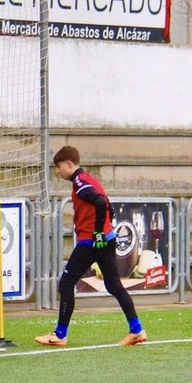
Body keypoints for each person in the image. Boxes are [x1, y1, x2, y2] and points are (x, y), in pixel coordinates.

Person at [35, 145, 146, 347]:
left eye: (59, 167)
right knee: (114, 284)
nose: (58, 172)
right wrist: (106, 228)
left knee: (66, 283)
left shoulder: (79, 181)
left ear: (69, 164)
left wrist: (96, 232)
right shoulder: (89, 179)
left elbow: (99, 202)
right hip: (107, 239)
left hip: (91, 242)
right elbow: (107, 204)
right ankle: (137, 329)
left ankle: (60, 334)